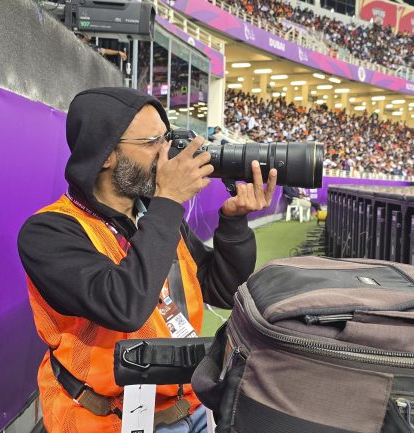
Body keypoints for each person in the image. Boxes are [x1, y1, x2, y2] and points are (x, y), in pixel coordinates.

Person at [18, 87, 277, 433]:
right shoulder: (48, 232)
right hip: (102, 421)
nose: (167, 153)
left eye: (167, 138)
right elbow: (124, 304)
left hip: (188, 408)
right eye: (153, 141)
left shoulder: (154, 216)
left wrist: (233, 223)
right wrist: (168, 199)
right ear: (106, 154)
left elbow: (223, 288)